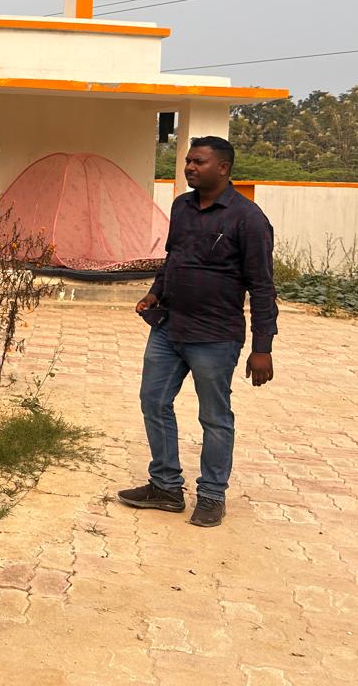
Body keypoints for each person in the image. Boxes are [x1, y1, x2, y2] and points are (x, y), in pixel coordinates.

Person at [120, 136, 277, 528]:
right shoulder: (182, 207)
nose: (189, 167)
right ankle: (166, 487)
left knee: (214, 417)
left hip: (215, 336)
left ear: (223, 168)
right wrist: (155, 292)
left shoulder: (248, 218)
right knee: (153, 401)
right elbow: (172, 257)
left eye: (199, 162)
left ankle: (211, 495)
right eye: (188, 161)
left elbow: (262, 286)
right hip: (168, 327)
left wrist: (262, 347)